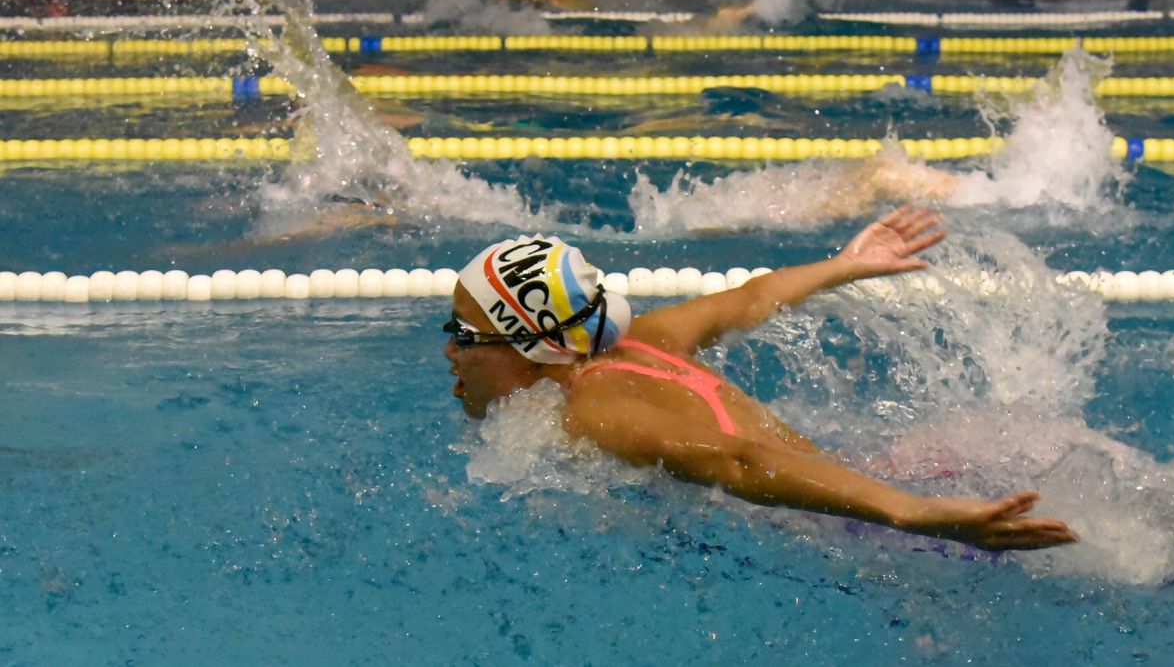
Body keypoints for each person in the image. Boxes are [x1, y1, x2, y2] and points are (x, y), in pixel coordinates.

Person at [442, 207, 1079, 552]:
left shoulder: (593, 409)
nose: (450, 352)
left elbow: (740, 462)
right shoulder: (645, 341)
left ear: (532, 345)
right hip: (890, 473)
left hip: (864, 527)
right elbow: (751, 298)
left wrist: (914, 513)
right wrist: (844, 265)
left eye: (464, 334)